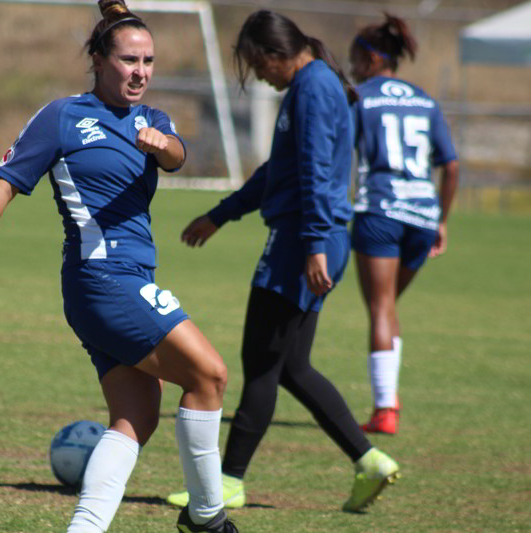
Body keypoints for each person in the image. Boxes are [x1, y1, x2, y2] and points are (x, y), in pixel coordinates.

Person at [0, 1, 238, 532]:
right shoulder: (62, 117)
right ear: (98, 59)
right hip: (103, 281)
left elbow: (176, 155)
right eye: (128, 59)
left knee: (137, 417)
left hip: (124, 281)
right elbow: (5, 183)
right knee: (209, 374)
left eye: (148, 60)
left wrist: (162, 143)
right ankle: (208, 518)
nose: (140, 71)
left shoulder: (153, 119)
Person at [166, 10, 399, 513]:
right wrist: (222, 214)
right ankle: (369, 460)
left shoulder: (313, 88)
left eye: (258, 66)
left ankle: (229, 481)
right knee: (291, 366)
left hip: (303, 241)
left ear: (276, 54)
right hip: (313, 238)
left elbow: (316, 169)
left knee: (261, 363)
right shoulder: (313, 84)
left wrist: (313, 241)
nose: (261, 78)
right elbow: (282, 169)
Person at [349, 14, 459, 435]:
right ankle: (388, 399)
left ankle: (384, 410)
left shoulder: (359, 96)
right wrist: (443, 221)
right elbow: (449, 167)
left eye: (357, 57)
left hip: (380, 212)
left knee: (379, 307)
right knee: (389, 305)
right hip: (423, 216)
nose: (353, 65)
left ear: (375, 58)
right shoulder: (425, 100)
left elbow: (341, 154)